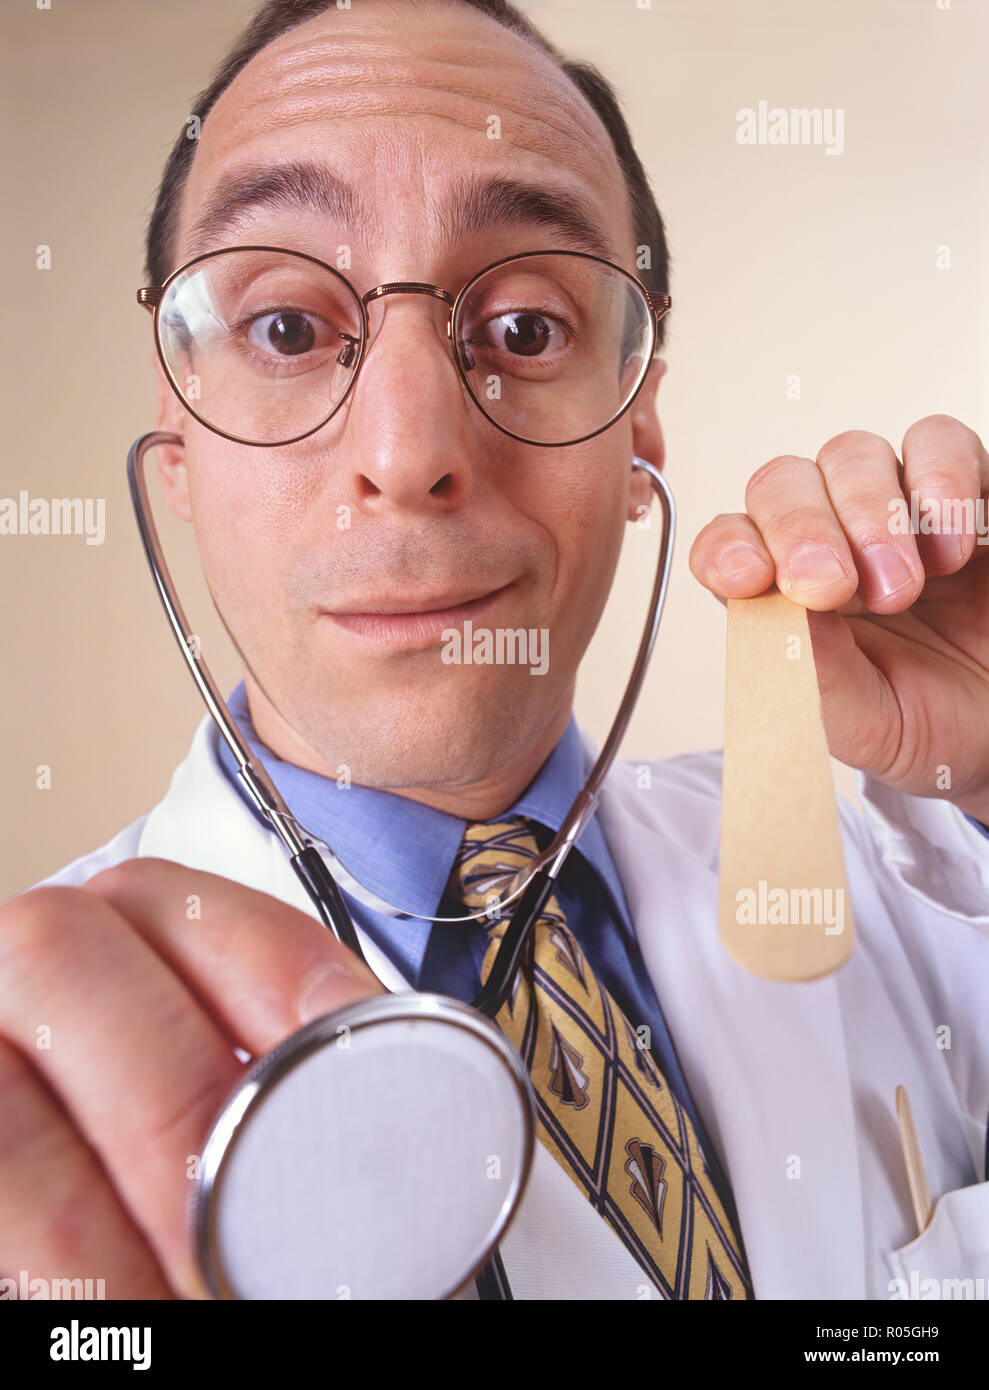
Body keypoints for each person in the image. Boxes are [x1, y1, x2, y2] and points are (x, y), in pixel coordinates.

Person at [2, 0, 988, 1301]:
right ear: (176, 448)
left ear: (640, 432)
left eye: (526, 328)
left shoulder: (911, 879)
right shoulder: (33, 1108)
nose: (409, 455)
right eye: (286, 328)